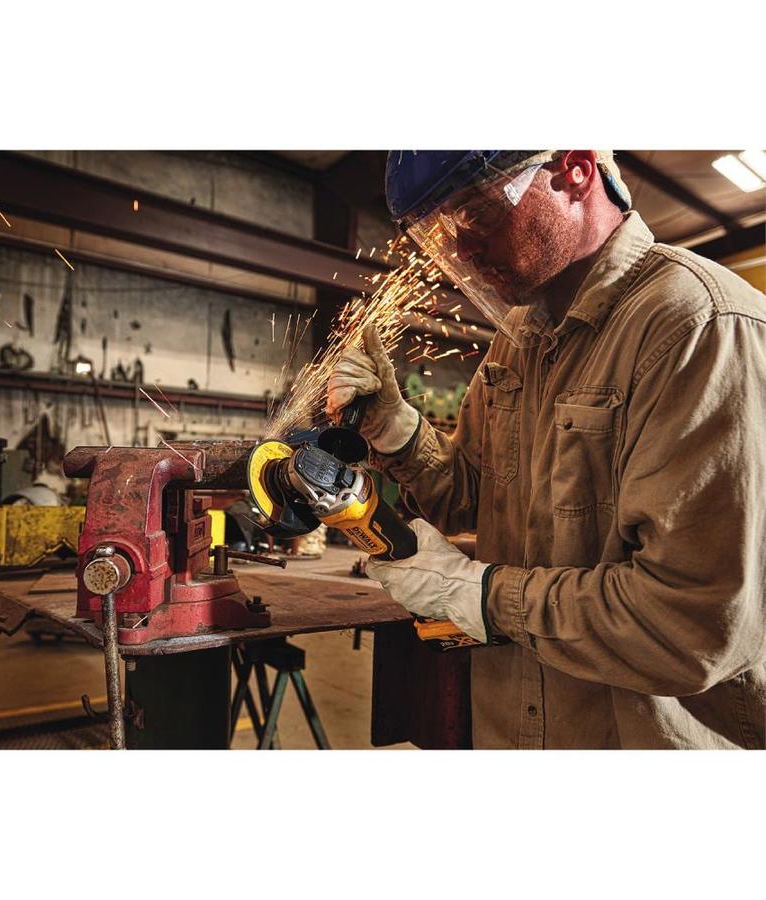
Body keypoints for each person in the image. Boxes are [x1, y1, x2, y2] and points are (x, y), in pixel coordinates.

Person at [327, 150, 766, 749]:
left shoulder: (696, 326)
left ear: (574, 169)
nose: (462, 250)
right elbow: (473, 500)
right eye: (442, 232)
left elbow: (691, 626)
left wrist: (483, 597)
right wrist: (395, 430)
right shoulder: (519, 339)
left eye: (477, 213)